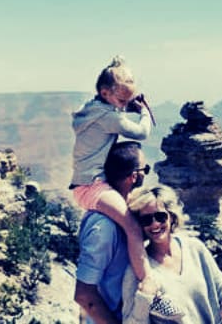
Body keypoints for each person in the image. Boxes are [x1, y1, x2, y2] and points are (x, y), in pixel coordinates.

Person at [70, 56, 153, 289]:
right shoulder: (108, 117)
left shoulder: (92, 109)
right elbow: (140, 133)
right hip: (92, 186)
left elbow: (117, 112)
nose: (124, 105)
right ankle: (149, 285)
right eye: (121, 100)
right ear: (105, 93)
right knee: (133, 226)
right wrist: (144, 112)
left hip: (86, 184)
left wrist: (125, 106)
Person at [121, 185, 222, 324]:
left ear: (172, 217)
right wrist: (144, 298)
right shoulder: (136, 270)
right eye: (146, 220)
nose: (155, 224)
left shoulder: (195, 248)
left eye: (160, 216)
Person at [74, 141, 150, 323]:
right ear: (134, 176)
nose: (146, 173)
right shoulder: (104, 227)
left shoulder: (126, 215)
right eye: (145, 169)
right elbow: (84, 295)